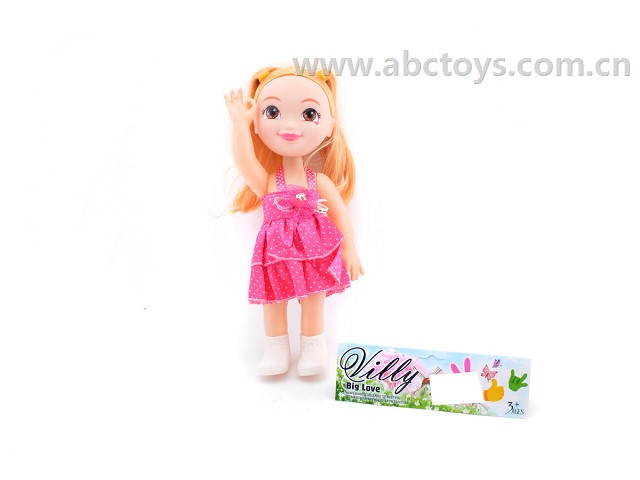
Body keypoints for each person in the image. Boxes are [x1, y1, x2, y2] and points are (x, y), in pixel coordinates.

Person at [224, 66, 364, 376]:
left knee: (314, 298)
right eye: (272, 112)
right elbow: (245, 162)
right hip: (274, 253)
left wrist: (350, 250)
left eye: (309, 114)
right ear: (258, 124)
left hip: (314, 250)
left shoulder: (319, 181)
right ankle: (275, 347)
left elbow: (340, 215)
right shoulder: (268, 182)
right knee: (273, 299)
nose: (289, 126)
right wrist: (239, 125)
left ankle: (314, 345)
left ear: (329, 126)